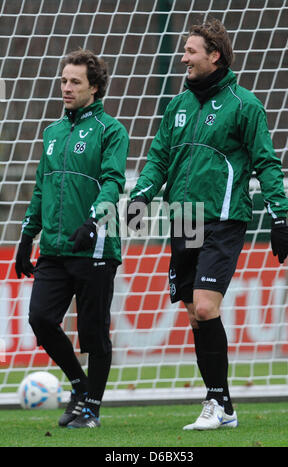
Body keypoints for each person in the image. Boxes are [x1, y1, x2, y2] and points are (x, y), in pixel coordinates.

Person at [127, 18, 288, 430]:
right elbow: (159, 158)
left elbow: (267, 163)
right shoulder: (177, 105)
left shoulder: (245, 105)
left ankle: (216, 403)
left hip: (223, 218)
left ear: (213, 55)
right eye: (183, 50)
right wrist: (141, 196)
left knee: (206, 305)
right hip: (183, 217)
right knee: (194, 314)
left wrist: (279, 217)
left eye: (190, 51)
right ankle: (223, 406)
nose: (182, 58)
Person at [15, 49, 129, 428]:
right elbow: (40, 188)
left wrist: (95, 219)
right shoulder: (52, 132)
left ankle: (91, 410)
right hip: (54, 247)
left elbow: (114, 181)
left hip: (94, 246)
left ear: (94, 88)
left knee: (93, 334)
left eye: (74, 81)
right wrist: (26, 235)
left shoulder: (111, 131)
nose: (66, 87)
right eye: (64, 80)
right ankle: (80, 387)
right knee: (41, 318)